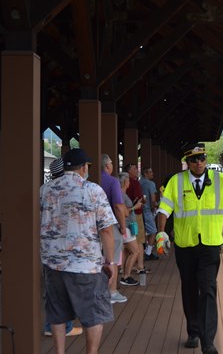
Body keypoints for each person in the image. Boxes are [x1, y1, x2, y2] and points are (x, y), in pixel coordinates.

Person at [156, 144, 223, 354]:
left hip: (210, 245)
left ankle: (208, 342)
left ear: (206, 160)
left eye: (203, 158)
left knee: (207, 289)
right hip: (185, 245)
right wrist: (161, 232)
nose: (199, 163)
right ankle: (193, 331)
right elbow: (164, 209)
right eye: (195, 159)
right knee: (189, 289)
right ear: (188, 162)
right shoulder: (176, 181)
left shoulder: (220, 180)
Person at [40, 148, 117, 354]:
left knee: (57, 313)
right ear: (84, 168)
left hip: (52, 264)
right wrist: (110, 262)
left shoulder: (45, 190)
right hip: (86, 265)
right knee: (93, 315)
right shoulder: (92, 190)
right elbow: (107, 229)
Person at [42, 158, 83, 338]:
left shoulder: (44, 189)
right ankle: (63, 326)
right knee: (66, 290)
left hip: (47, 247)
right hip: (67, 248)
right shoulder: (72, 189)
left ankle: (51, 324)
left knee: (52, 290)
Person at [100, 154, 128, 304]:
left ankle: (98, 291)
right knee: (113, 259)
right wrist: (123, 227)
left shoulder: (91, 181)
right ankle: (112, 291)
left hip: (92, 227)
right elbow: (118, 206)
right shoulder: (113, 181)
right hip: (110, 226)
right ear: (108, 166)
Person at [125, 163, 153, 272]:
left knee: (127, 241)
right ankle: (140, 266)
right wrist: (144, 200)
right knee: (140, 240)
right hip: (136, 214)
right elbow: (139, 198)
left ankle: (127, 266)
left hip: (124, 215)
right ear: (129, 171)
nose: (137, 170)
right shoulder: (135, 182)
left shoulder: (121, 182)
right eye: (134, 169)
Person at [118, 171, 143, 285]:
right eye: (128, 180)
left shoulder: (122, 194)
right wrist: (135, 207)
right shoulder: (121, 195)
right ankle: (126, 276)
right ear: (124, 182)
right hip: (126, 226)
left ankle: (124, 274)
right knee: (135, 251)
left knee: (127, 252)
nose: (129, 183)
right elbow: (123, 212)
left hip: (127, 226)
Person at [139, 166, 159, 260]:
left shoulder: (139, 182)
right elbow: (153, 199)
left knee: (144, 232)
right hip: (147, 211)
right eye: (150, 172)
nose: (152, 174)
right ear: (145, 174)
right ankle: (148, 252)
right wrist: (154, 207)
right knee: (153, 231)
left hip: (139, 210)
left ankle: (144, 249)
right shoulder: (150, 184)